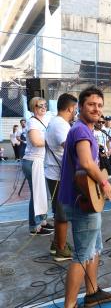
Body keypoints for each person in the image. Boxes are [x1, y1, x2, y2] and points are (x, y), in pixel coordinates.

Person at [58, 86, 111, 308]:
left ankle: (93, 292)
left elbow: (86, 171)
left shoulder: (84, 130)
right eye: (92, 104)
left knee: (94, 249)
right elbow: (85, 163)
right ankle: (70, 304)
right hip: (81, 202)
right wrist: (105, 182)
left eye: (100, 105)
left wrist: (108, 179)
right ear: (80, 107)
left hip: (86, 199)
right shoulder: (81, 131)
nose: (97, 109)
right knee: (82, 255)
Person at [45, 93, 78, 261]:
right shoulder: (60, 125)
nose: (76, 112)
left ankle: (57, 243)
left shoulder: (57, 122)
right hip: (59, 175)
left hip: (55, 173)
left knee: (60, 212)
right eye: (75, 109)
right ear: (70, 108)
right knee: (63, 214)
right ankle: (61, 249)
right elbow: (71, 149)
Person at [22, 97, 52, 235]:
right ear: (34, 107)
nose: (44, 107)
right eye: (41, 106)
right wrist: (52, 140)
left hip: (40, 161)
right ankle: (34, 226)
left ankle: (42, 221)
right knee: (36, 195)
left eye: (45, 105)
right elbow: (36, 142)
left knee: (42, 193)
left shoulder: (43, 120)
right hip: (33, 161)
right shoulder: (32, 122)